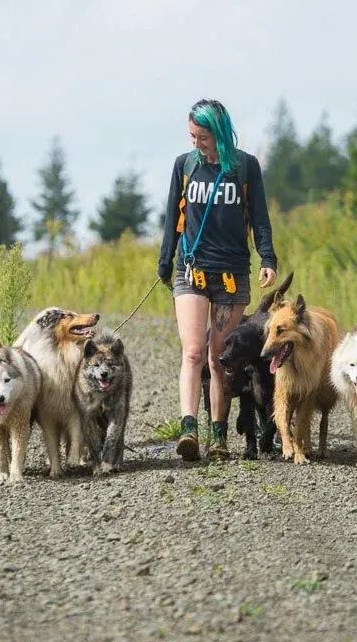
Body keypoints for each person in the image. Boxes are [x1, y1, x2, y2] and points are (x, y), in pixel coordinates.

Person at [157, 99, 278, 461]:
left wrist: (267, 258)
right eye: (193, 135)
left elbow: (259, 217)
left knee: (218, 358)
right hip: (191, 269)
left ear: (220, 134)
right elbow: (170, 218)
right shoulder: (185, 166)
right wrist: (165, 261)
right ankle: (189, 428)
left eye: (204, 137)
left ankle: (219, 437)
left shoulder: (244, 167)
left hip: (230, 274)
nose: (197, 143)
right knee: (192, 351)